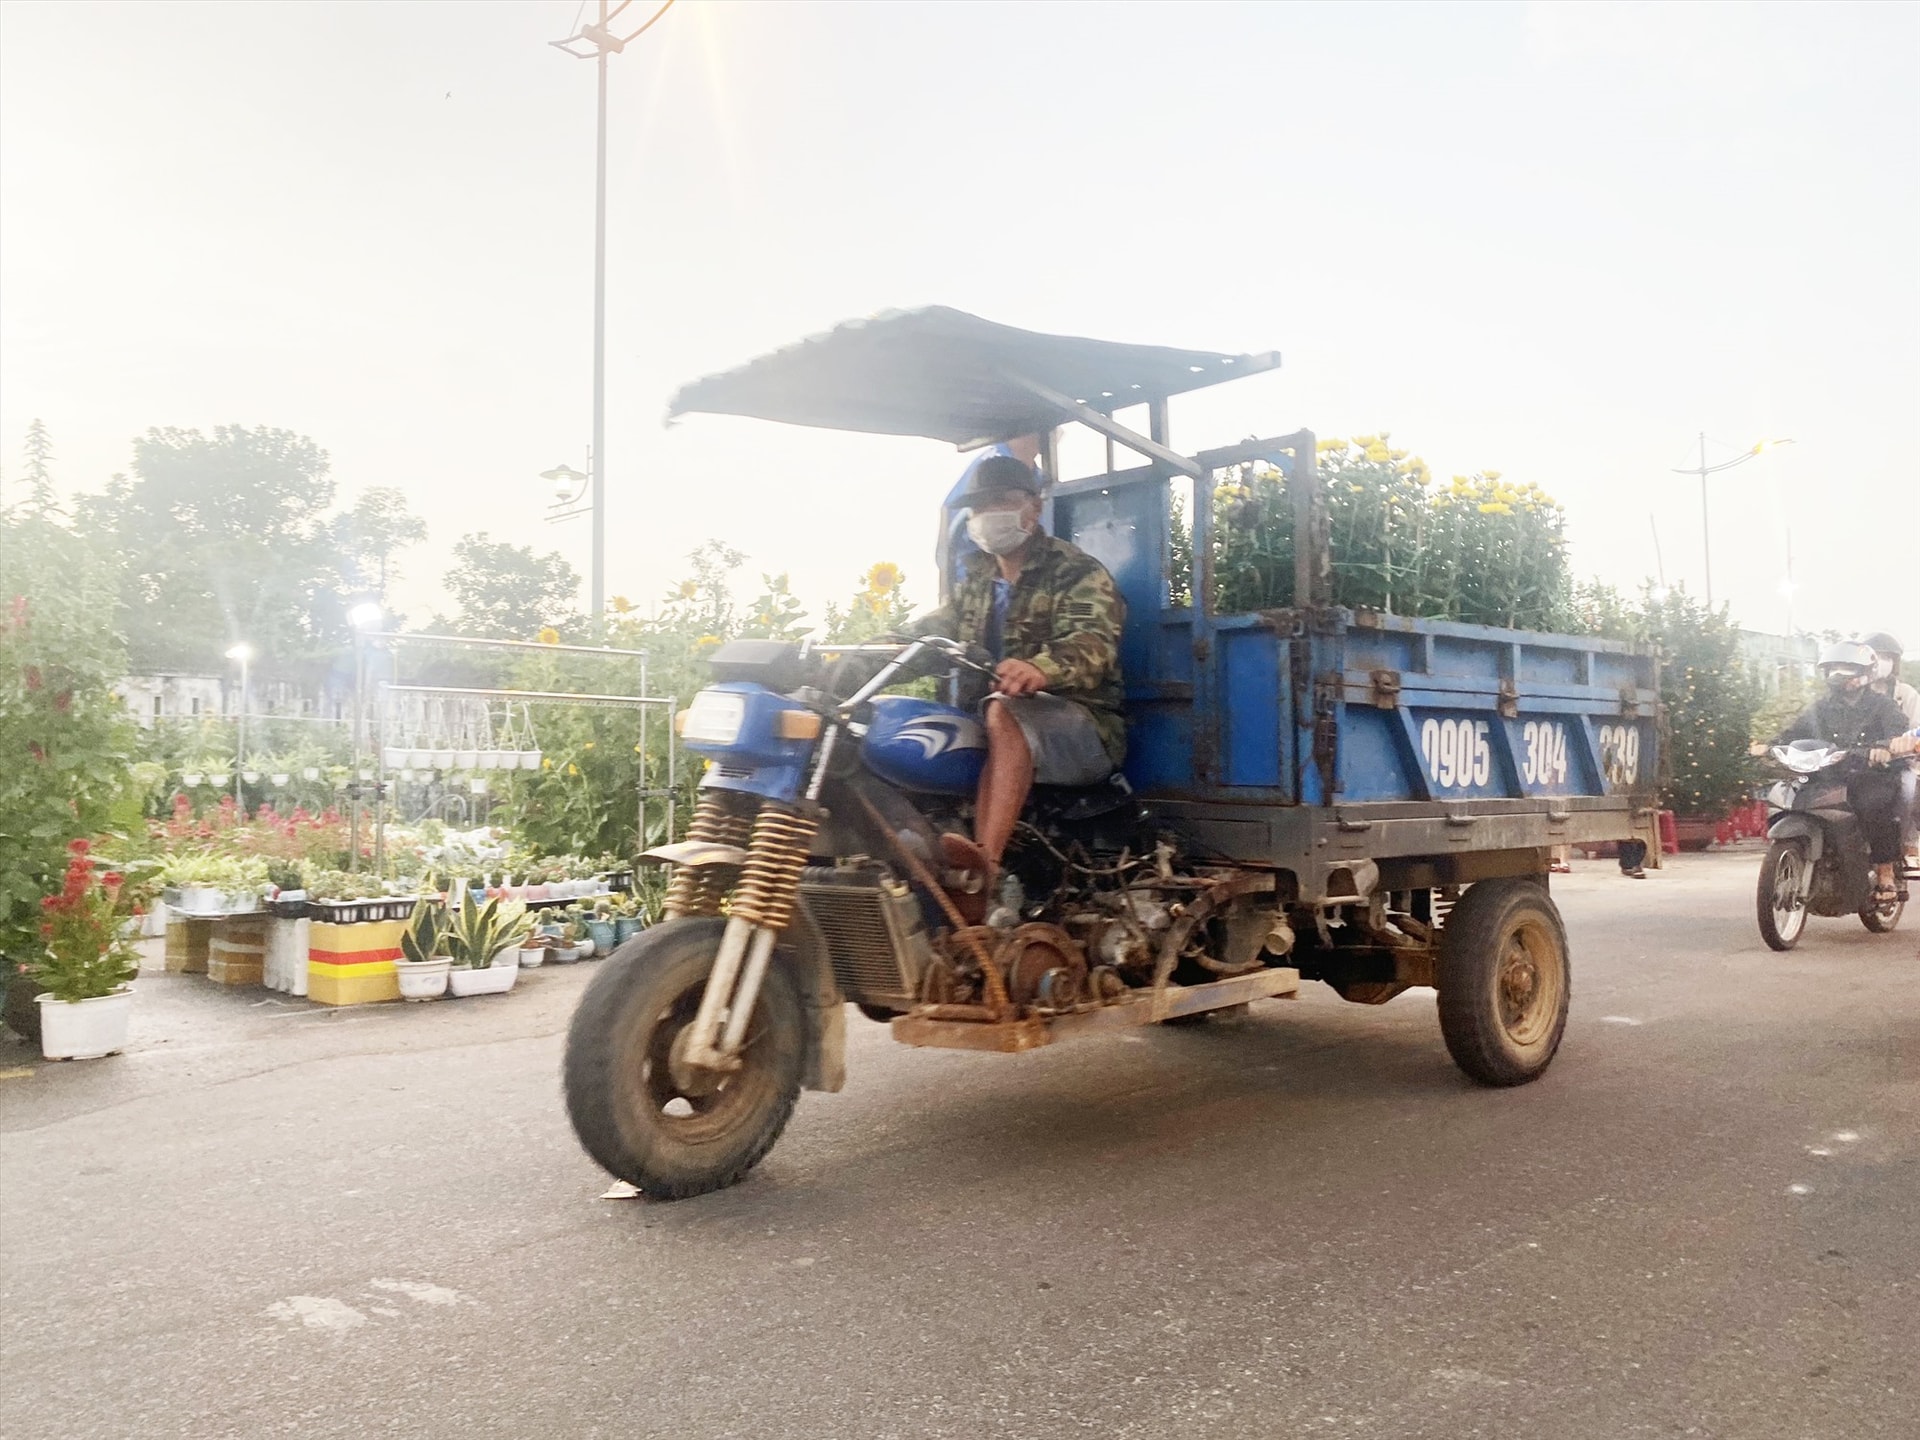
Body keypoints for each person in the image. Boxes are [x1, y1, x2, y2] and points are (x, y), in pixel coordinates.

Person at [907, 453, 1125, 886]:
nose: (990, 515)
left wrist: (1039, 669)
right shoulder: (976, 582)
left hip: (1083, 728)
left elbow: (1093, 641)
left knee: (1003, 711)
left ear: (1034, 507)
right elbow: (923, 637)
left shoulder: (1076, 571)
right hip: (995, 720)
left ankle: (982, 869)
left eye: (1001, 501)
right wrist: (839, 665)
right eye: (980, 507)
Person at [1750, 639, 1910, 902]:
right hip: (1827, 773)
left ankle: (1885, 872)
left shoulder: (1882, 705)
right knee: (1794, 793)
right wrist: (1770, 745)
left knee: (1873, 806)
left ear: (1865, 673)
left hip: (1869, 773)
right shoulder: (1821, 707)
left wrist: (1885, 746)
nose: (1838, 674)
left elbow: (1897, 731)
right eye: (1833, 668)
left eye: (1845, 668)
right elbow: (1795, 732)